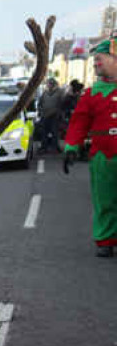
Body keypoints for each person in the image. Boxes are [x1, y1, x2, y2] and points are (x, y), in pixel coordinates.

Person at [63, 38, 117, 257]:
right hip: (102, 155)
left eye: (100, 59)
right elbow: (79, 122)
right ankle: (105, 239)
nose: (96, 64)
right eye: (95, 60)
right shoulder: (91, 93)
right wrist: (71, 147)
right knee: (104, 198)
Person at [37, 78, 65, 154]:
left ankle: (55, 148)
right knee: (44, 133)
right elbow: (40, 103)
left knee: (55, 133)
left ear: (55, 85)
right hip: (45, 116)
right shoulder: (44, 93)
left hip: (55, 116)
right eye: (49, 84)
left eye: (52, 84)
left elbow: (62, 104)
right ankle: (44, 147)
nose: (50, 85)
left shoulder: (59, 93)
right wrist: (40, 111)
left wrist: (60, 113)